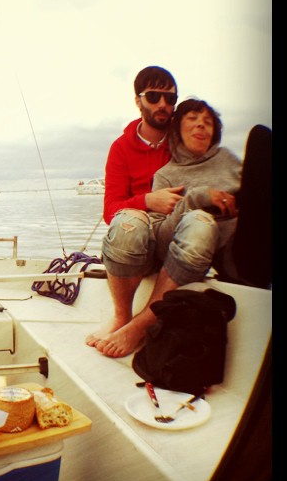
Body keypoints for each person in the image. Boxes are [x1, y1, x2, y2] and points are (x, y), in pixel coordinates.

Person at [90, 96, 272, 358]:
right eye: (193, 119)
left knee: (261, 139)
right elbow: (164, 235)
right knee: (201, 223)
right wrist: (198, 198)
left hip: (253, 239)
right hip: (233, 257)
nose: (201, 125)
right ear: (177, 130)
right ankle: (132, 322)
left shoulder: (229, 161)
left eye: (207, 121)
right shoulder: (167, 174)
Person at [86, 65, 183, 356]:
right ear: (138, 100)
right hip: (140, 243)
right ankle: (121, 315)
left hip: (174, 239)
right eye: (154, 97)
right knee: (126, 223)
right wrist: (148, 201)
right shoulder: (121, 148)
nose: (163, 105)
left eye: (170, 98)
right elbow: (110, 210)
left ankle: (139, 325)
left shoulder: (184, 141)